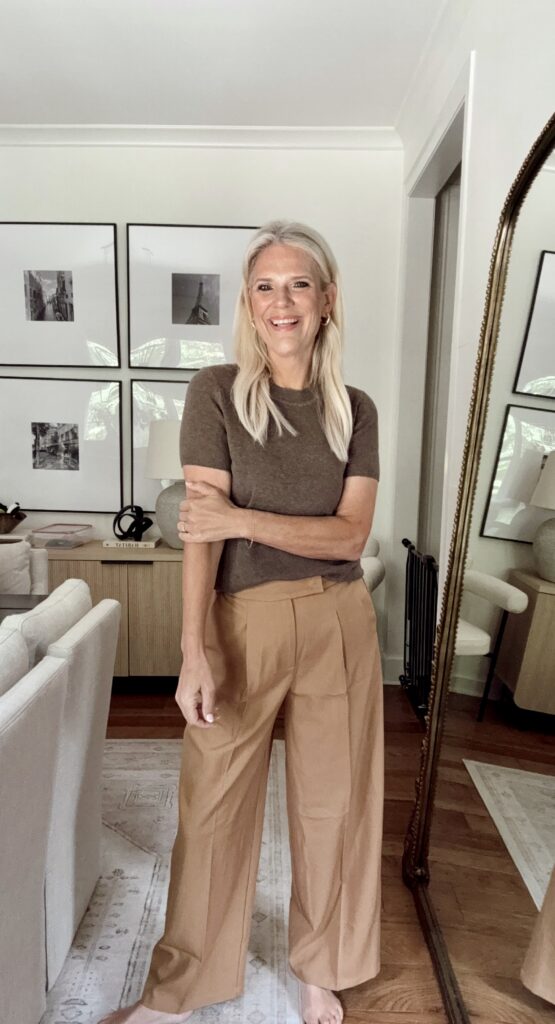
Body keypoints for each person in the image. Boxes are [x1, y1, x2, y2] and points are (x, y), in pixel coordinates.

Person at [99, 220, 383, 1024]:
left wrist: (244, 520)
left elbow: (351, 535)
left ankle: (319, 965)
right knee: (213, 806)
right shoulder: (214, 392)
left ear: (325, 301)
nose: (281, 301)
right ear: (248, 303)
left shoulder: (353, 410)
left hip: (338, 623)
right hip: (239, 620)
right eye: (265, 285)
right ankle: (184, 983)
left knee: (335, 805)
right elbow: (197, 535)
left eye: (298, 284)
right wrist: (193, 648)